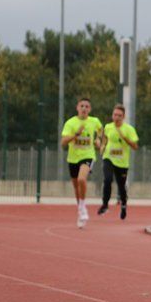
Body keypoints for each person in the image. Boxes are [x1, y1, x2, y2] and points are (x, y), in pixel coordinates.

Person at [60, 97, 103, 229]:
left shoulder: (94, 121)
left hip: (88, 155)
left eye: (87, 106)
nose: (84, 108)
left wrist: (98, 140)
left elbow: (101, 131)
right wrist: (76, 134)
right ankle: (81, 210)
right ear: (77, 108)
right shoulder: (70, 123)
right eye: (82, 106)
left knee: (81, 180)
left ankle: (82, 208)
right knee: (76, 187)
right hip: (73, 158)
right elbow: (63, 143)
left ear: (90, 109)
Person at [98, 104, 139, 220]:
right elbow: (104, 139)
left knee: (121, 186)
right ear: (112, 115)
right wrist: (102, 146)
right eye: (115, 115)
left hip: (122, 162)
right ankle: (105, 204)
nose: (117, 117)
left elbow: (135, 146)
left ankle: (124, 205)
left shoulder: (129, 129)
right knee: (107, 179)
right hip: (108, 158)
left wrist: (125, 138)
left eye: (119, 115)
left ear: (123, 117)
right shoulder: (108, 127)